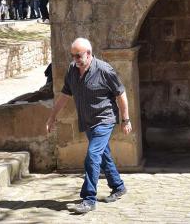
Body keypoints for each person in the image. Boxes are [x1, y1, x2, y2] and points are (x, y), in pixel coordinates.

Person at [45, 38, 130, 214]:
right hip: (88, 121)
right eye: (73, 55)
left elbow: (121, 94)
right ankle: (118, 186)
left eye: (78, 55)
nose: (75, 59)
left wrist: (126, 120)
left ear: (89, 53)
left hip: (104, 119)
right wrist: (52, 117)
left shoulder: (104, 70)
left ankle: (88, 199)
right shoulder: (72, 70)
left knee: (92, 156)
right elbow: (64, 95)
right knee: (103, 155)